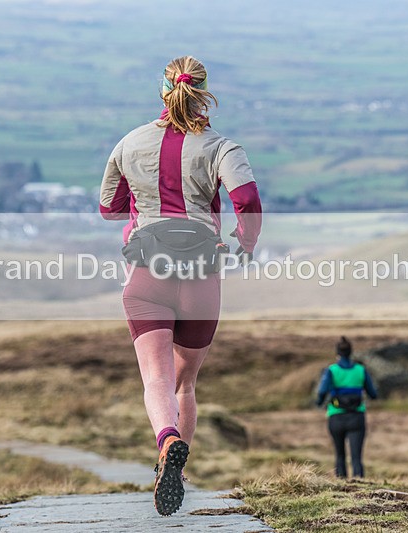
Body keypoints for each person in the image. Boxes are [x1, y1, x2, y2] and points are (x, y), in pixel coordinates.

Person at [99, 56, 262, 516]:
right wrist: (245, 242)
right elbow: (247, 200)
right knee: (185, 383)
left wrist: (143, 203)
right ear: (204, 91)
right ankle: (177, 471)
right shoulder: (222, 148)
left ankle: (166, 440)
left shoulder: (129, 143)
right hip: (199, 277)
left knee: (156, 378)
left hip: (146, 273)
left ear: (163, 89)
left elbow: (108, 208)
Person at [315, 336, 378, 478]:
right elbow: (373, 393)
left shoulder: (331, 370)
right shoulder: (361, 370)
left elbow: (322, 391)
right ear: (351, 353)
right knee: (356, 457)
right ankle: (360, 486)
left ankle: (341, 486)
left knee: (339, 455)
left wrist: (319, 403)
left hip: (336, 416)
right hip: (357, 417)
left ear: (338, 354)